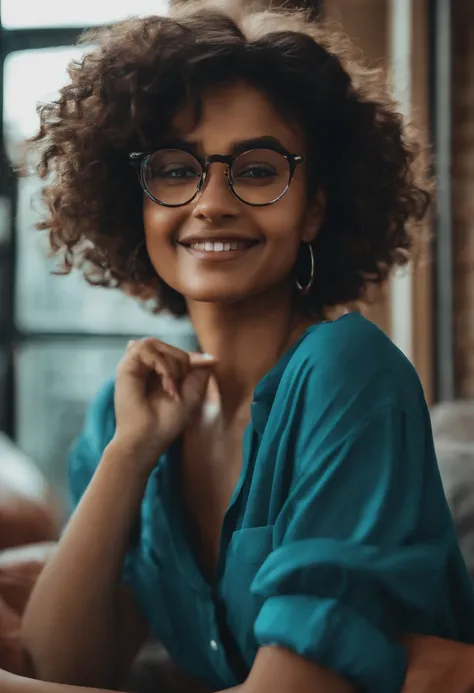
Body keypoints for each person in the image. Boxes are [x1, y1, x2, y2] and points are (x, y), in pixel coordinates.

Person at [17, 2, 474, 692]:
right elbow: (66, 664)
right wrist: (128, 455)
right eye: (176, 169)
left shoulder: (346, 373)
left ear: (315, 206)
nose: (212, 202)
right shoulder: (130, 409)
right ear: (133, 202)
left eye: (258, 170)